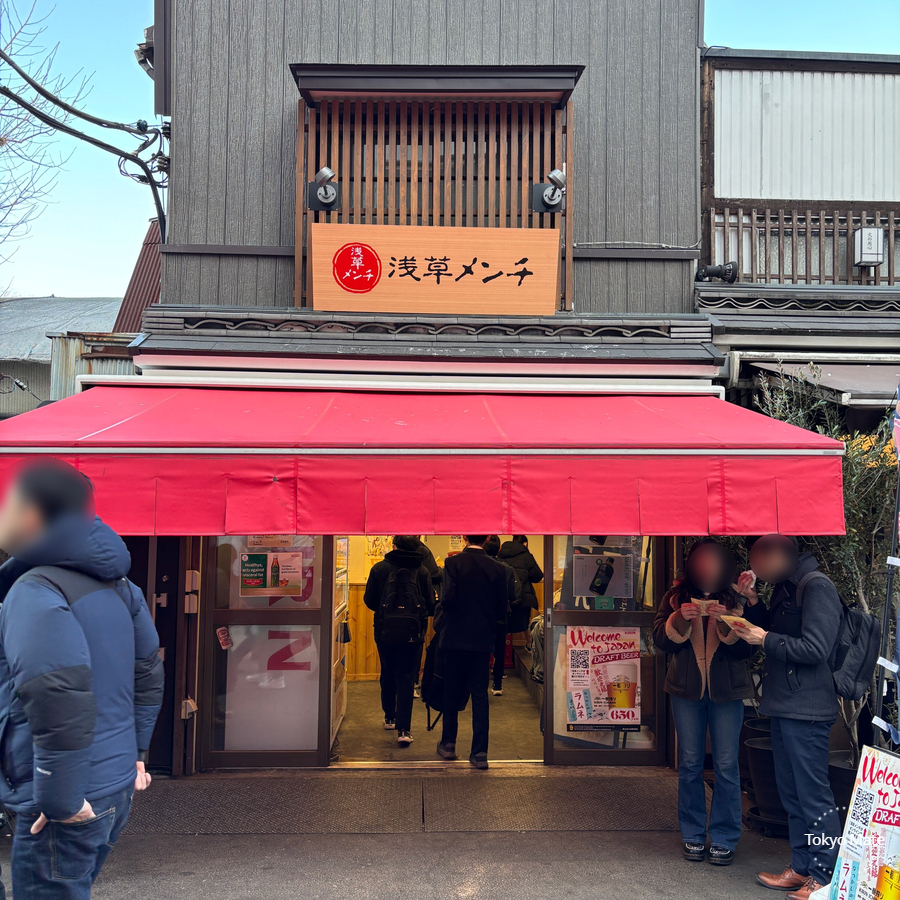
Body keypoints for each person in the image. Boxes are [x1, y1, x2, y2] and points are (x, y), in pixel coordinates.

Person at [0, 459, 164, 900]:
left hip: (64, 794)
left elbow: (57, 693)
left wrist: (61, 799)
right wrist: (137, 753)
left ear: (31, 514)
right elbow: (149, 671)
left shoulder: (35, 589)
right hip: (113, 783)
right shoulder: (122, 586)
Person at [734, 535, 842, 900]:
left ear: (781, 553)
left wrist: (763, 638)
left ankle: (825, 875)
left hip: (808, 708)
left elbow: (816, 648)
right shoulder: (785, 587)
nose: (755, 567)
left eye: (759, 558)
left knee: (813, 794)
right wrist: (752, 602)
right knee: (791, 792)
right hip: (784, 704)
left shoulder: (816, 587)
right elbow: (776, 632)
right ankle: (801, 867)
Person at [653, 539, 766, 867]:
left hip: (727, 693)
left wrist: (730, 619)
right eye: (702, 562)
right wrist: (680, 617)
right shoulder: (675, 595)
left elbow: (749, 648)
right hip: (685, 692)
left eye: (714, 562)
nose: (708, 569)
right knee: (689, 763)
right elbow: (661, 640)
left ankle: (725, 836)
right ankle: (691, 834)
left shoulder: (735, 595)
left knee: (727, 766)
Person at [435, 535, 513, 769]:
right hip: (482, 639)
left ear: (465, 537)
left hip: (455, 638)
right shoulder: (498, 568)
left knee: (451, 691)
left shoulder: (452, 564)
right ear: (488, 538)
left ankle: (449, 743)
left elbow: (447, 600)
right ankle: (479, 753)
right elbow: (502, 608)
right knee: (480, 695)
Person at [363, 535, 434, 746]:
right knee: (406, 676)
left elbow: (369, 600)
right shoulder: (422, 571)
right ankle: (404, 729)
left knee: (387, 671)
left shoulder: (380, 569)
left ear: (393, 546)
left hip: (384, 630)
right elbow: (430, 603)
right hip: (413, 633)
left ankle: (389, 717)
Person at [483, 535, 519, 696]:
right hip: (500, 613)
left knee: (482, 650)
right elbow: (513, 594)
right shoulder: (507, 568)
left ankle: (481, 683)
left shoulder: (479, 566)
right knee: (499, 648)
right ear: (499, 549)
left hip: (481, 614)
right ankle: (497, 685)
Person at [498, 535, 543, 648]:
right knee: (524, 625)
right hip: (523, 598)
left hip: (503, 598)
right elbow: (537, 576)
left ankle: (500, 656)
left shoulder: (499, 554)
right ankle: (530, 647)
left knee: (503, 627)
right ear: (525, 544)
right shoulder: (526, 556)